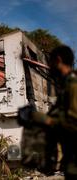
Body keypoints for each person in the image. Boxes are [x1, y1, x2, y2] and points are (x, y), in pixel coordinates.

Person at [18, 45, 77, 179]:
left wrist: (41, 118)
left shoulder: (73, 85)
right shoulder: (66, 87)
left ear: (58, 60)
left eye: (50, 62)